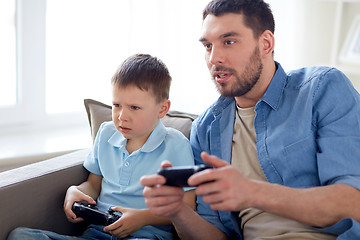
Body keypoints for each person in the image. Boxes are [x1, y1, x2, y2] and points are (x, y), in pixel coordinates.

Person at [140, 0, 360, 239]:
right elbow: (216, 235)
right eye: (207, 46)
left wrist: (251, 192)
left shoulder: (322, 89)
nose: (214, 58)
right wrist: (177, 211)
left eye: (229, 42)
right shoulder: (206, 128)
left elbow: (353, 201)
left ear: (265, 44)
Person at [8, 54, 196, 240]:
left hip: (146, 236)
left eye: (134, 107)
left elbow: (188, 206)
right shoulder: (106, 133)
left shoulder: (176, 145)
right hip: (97, 233)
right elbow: (94, 184)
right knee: (20, 235)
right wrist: (76, 191)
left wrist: (142, 218)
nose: (122, 116)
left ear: (162, 109)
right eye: (117, 105)